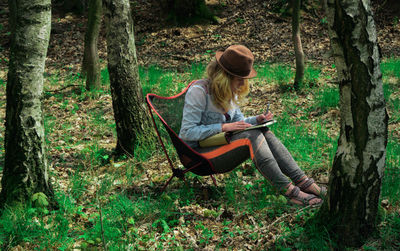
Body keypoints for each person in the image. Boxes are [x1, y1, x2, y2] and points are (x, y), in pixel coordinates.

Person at [179, 45, 326, 206]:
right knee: (252, 137)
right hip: (197, 156)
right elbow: (186, 133)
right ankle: (291, 193)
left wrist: (257, 120)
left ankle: (304, 182)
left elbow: (239, 124)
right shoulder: (199, 92)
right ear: (225, 76)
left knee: (263, 130)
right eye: (239, 79)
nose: (243, 84)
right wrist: (222, 128)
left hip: (221, 144)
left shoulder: (230, 91)